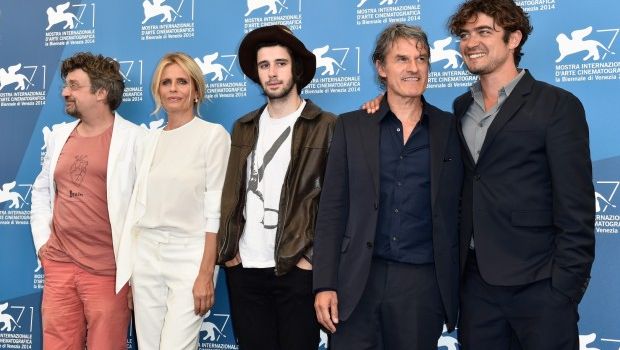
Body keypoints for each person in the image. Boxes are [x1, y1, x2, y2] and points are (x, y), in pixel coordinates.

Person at [448, 0, 595, 348]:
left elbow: (576, 205)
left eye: (484, 32)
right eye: (465, 34)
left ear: (514, 38)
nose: (471, 43)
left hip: (540, 285)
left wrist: (564, 289)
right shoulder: (460, 108)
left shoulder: (557, 105)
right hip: (476, 286)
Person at [313, 23, 463, 350]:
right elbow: (331, 210)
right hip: (357, 281)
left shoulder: (451, 129)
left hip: (422, 286)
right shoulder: (352, 126)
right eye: (402, 59)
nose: (413, 68)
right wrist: (324, 283)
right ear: (381, 68)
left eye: (421, 59)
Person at [216, 25, 336, 350]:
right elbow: (231, 193)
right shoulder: (243, 127)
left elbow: (334, 202)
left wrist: (309, 259)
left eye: (280, 63)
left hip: (296, 269)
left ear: (296, 68)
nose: (272, 73)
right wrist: (230, 256)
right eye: (264, 65)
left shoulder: (325, 126)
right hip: (245, 271)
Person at [116, 52, 230, 349]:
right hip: (146, 256)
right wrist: (130, 274)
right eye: (166, 82)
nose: (173, 89)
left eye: (182, 82)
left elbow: (215, 211)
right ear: (157, 90)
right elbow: (134, 210)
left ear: (195, 91)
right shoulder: (147, 140)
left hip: (190, 256)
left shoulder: (213, 136)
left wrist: (206, 272)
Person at [31, 52, 144, 349]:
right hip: (59, 266)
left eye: (74, 85)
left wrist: (134, 271)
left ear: (101, 92)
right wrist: (43, 244)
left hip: (107, 272)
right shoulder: (59, 135)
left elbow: (143, 208)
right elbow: (42, 189)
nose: (65, 92)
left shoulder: (135, 140)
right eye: (65, 85)